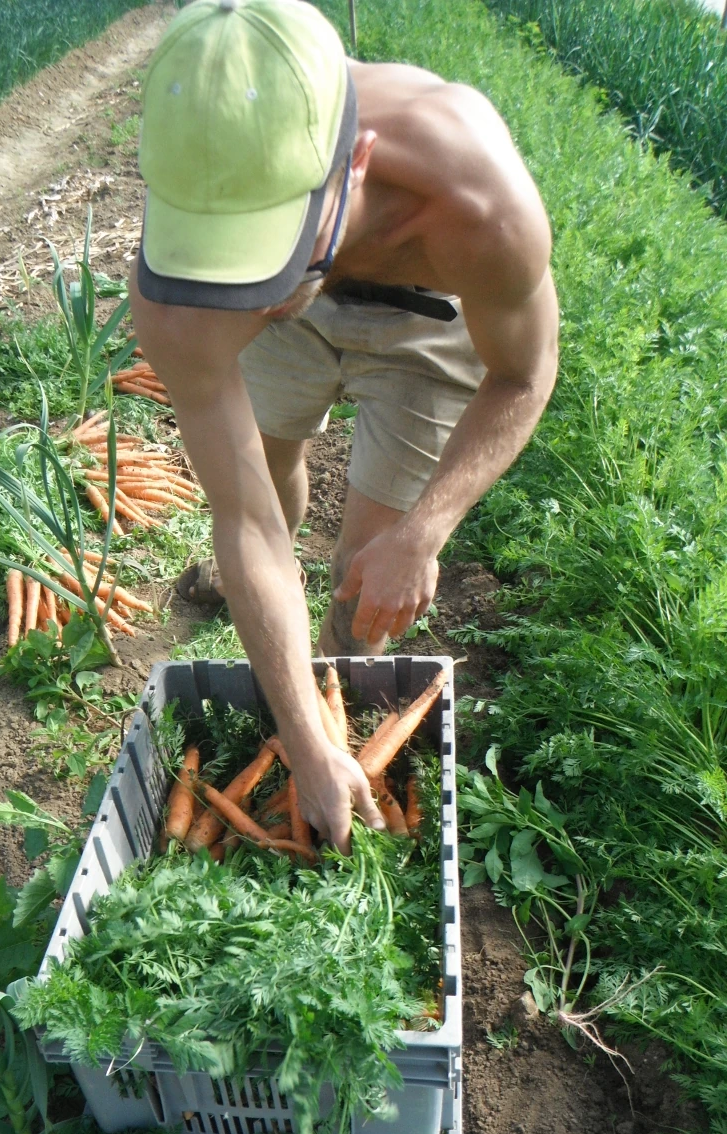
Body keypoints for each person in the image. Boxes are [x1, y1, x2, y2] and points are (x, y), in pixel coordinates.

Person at [129, 0, 558, 853]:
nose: (249, 289)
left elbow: (522, 373)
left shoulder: (481, 207)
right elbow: (241, 515)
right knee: (269, 483)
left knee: (367, 571)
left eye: (267, 254)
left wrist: (424, 532)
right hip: (297, 303)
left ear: (355, 161)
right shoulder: (186, 296)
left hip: (430, 316)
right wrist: (302, 736)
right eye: (227, 264)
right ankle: (303, 688)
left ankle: (332, 662)